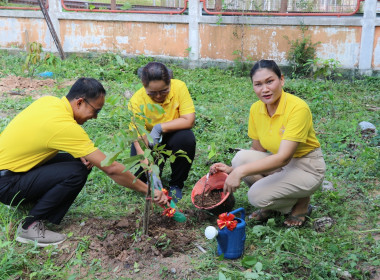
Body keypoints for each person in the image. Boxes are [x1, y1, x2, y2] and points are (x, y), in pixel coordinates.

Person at [0, 77, 167, 247]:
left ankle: (34, 200)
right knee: (76, 172)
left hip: (12, 169)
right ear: (80, 102)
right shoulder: (64, 126)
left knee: (81, 162)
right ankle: (29, 227)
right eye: (96, 111)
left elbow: (39, 137)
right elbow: (111, 168)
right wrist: (148, 191)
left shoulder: (49, 102)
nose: (94, 117)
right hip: (7, 185)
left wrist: (77, 152)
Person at [210, 60, 326, 227]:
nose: (264, 89)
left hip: (306, 167)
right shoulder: (256, 109)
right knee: (240, 158)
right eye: (258, 84)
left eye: (269, 81)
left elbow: (283, 158)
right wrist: (232, 170)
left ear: (282, 80)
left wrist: (240, 172)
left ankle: (302, 203)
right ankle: (273, 205)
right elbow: (257, 150)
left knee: (256, 196)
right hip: (281, 165)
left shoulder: (298, 108)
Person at [128, 62, 196, 202]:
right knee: (140, 175)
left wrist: (159, 128)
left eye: (164, 91)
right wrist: (150, 170)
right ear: (144, 86)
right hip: (149, 142)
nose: (158, 96)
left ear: (170, 82)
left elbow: (189, 120)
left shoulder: (179, 87)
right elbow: (138, 139)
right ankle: (153, 180)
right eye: (152, 93)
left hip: (174, 135)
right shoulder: (137, 100)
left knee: (186, 139)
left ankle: (176, 184)